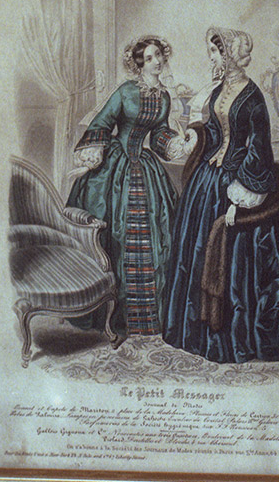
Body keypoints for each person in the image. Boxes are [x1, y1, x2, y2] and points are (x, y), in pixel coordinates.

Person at [163, 27, 279, 363]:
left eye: (215, 52)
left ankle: (238, 338)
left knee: (240, 263)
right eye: (211, 51)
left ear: (229, 55)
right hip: (209, 180)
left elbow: (259, 147)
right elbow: (214, 128)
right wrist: (196, 136)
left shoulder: (252, 96)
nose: (211, 58)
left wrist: (241, 194)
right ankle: (199, 332)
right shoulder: (220, 88)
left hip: (239, 180)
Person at [66, 35, 190, 338]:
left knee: (155, 236)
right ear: (138, 65)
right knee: (116, 235)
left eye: (158, 55)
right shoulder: (126, 91)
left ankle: (148, 318)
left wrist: (176, 144)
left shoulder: (164, 97)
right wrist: (93, 154)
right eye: (148, 58)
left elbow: (159, 134)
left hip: (145, 167)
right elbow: (101, 124)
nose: (156, 62)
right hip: (115, 167)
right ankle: (112, 316)